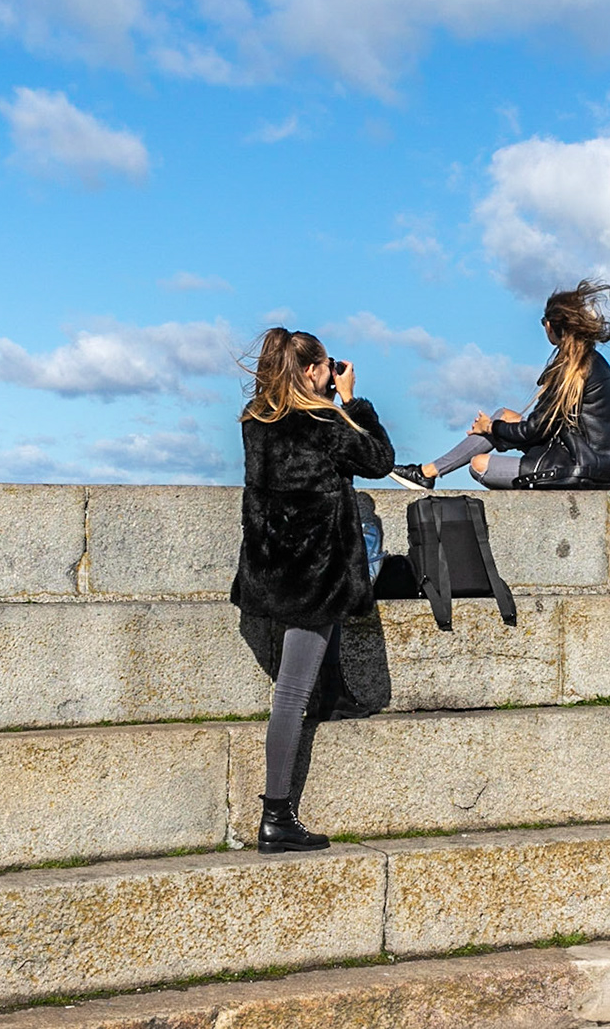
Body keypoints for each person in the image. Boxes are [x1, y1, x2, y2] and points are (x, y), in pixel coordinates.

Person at [231, 327, 395, 853]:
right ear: (310, 371)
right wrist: (352, 400)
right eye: (326, 366)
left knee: (302, 679)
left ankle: (335, 692)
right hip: (313, 574)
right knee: (290, 694)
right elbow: (379, 460)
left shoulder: (255, 421)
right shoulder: (324, 422)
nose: (332, 372)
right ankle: (276, 816)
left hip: (271, 568)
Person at [392, 279, 610, 491]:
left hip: (577, 469)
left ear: (551, 326)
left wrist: (490, 428)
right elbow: (541, 427)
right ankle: (427, 473)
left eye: (543, 322)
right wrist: (495, 426)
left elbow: (534, 430)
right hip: (589, 464)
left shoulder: (573, 370)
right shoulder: (588, 362)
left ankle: (426, 473)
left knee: (479, 464)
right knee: (504, 415)